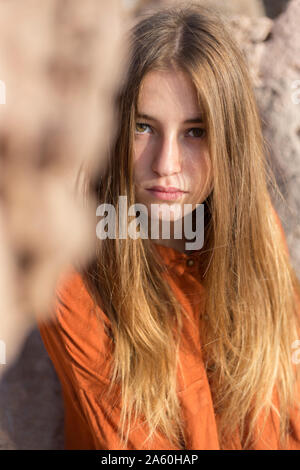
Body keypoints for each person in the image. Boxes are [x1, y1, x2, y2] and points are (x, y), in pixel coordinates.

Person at [37, 4, 300, 450]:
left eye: (195, 132)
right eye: (144, 127)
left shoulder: (255, 230)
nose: (166, 166)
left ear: (228, 140)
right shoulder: (75, 275)